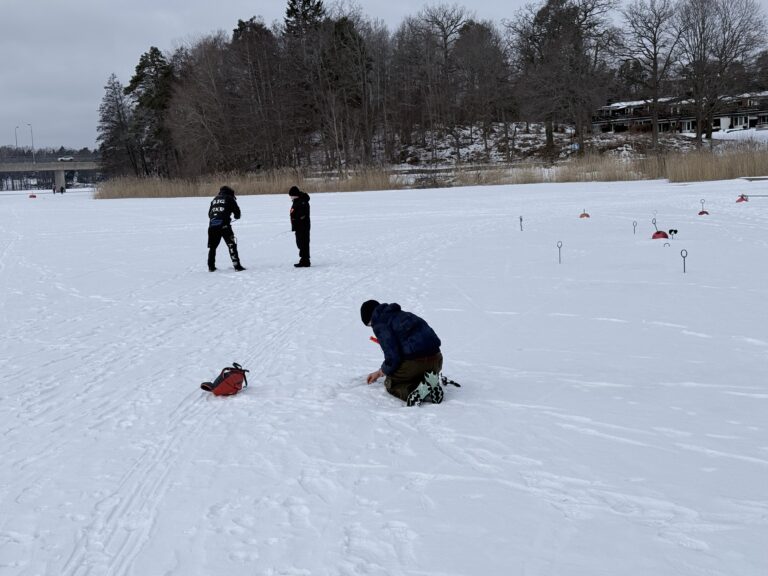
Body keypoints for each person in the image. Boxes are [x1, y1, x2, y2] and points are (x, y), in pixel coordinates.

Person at [361, 300, 444, 406]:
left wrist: (381, 372)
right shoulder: (406, 315)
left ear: (370, 319)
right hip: (437, 361)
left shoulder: (380, 323)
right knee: (414, 375)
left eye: (369, 325)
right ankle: (430, 385)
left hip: (416, 364)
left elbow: (393, 358)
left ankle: (420, 392)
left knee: (391, 382)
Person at [208, 185, 245, 272]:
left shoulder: (214, 199)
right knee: (231, 245)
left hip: (212, 226)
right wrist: (235, 216)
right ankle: (237, 266)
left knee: (212, 247)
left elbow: (209, 214)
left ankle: (211, 267)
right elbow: (237, 213)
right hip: (224, 226)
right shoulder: (229, 198)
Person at [289, 185, 310, 267]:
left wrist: (296, 220)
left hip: (303, 226)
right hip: (298, 227)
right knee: (299, 243)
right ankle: (303, 259)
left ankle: (305, 261)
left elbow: (302, 215)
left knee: (303, 243)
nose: (291, 197)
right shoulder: (296, 201)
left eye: (291, 196)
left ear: (295, 194)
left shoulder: (302, 201)